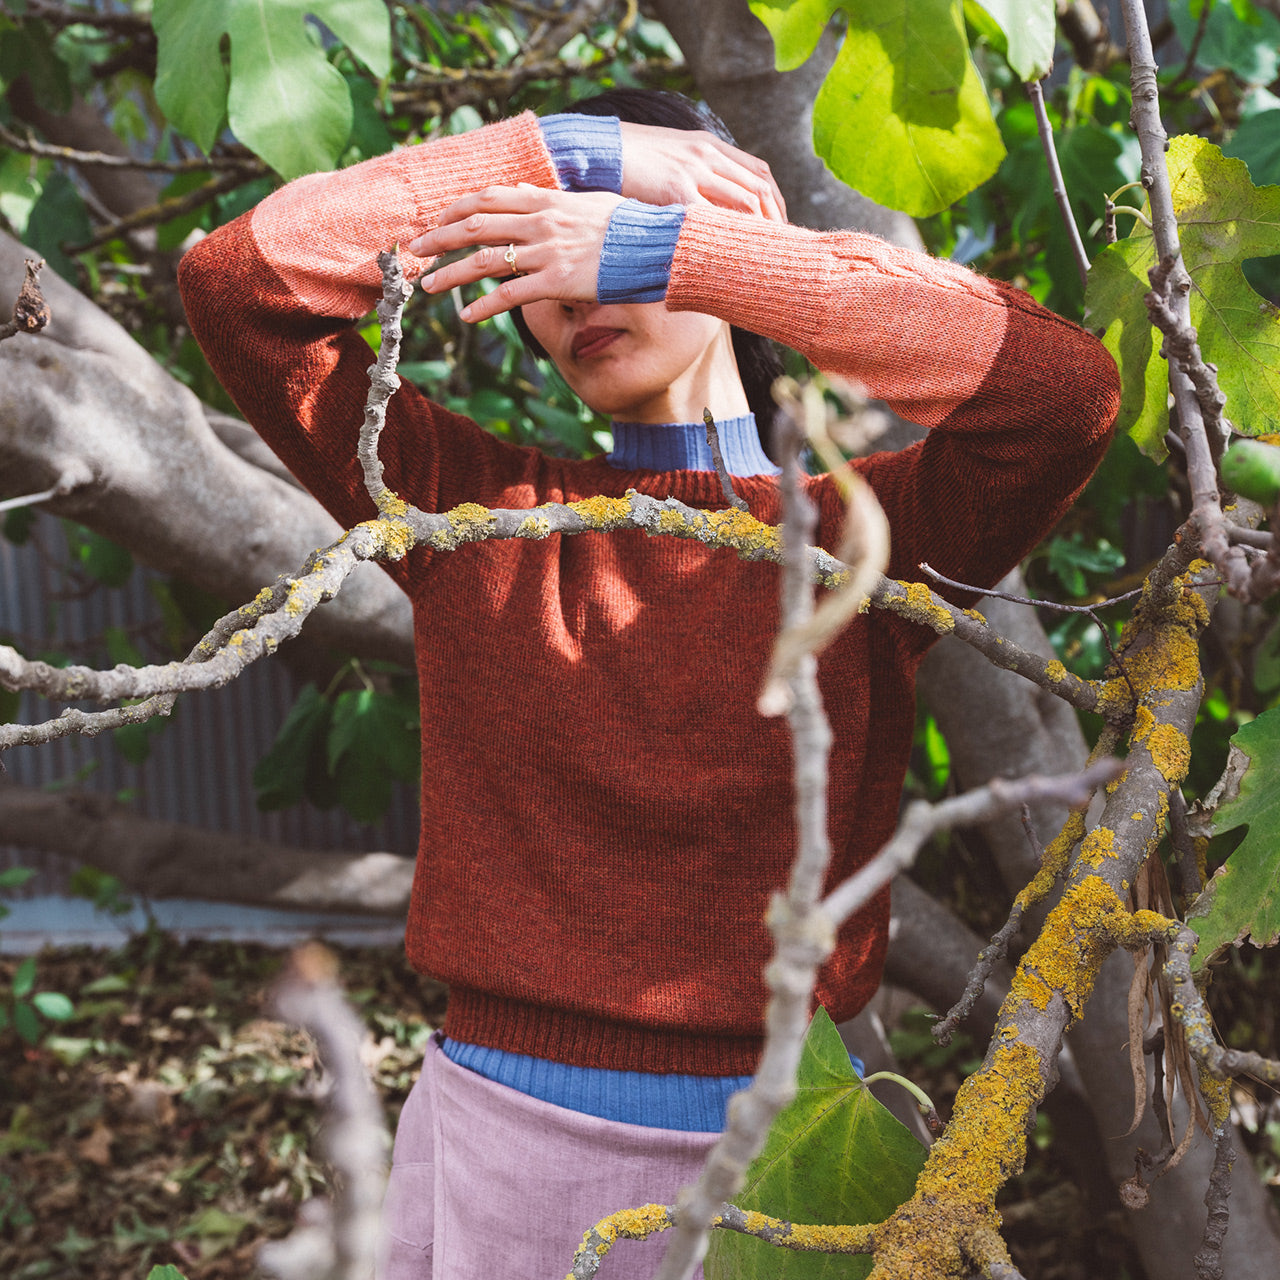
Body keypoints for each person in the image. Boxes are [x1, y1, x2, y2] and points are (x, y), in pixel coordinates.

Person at [178, 88, 1118, 1279]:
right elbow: (236, 283)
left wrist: (679, 250)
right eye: (545, 248)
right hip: (492, 1156)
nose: (576, 289)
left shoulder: (866, 538)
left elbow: (1063, 394)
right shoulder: (474, 513)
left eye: (608, 234)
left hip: (777, 1169)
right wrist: (572, 152)